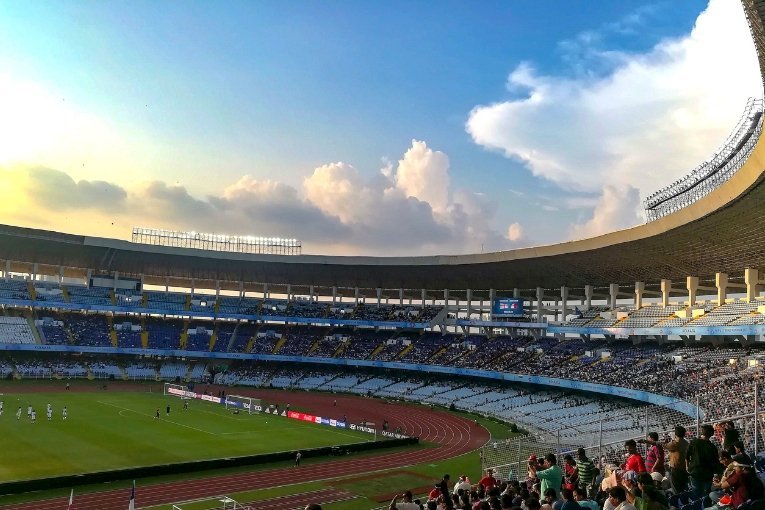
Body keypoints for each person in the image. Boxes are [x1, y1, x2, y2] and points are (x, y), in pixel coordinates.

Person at [687, 424, 719, 500]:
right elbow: (715, 462)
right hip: (708, 474)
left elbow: (687, 456)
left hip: (695, 472)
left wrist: (687, 466)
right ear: (711, 434)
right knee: (706, 495)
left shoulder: (694, 442)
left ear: (702, 432)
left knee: (696, 495)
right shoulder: (713, 447)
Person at [663, 425, 689, 493]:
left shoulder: (675, 443)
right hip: (683, 468)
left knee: (676, 489)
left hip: (676, 469)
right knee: (683, 488)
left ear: (676, 434)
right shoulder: (686, 443)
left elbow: (665, 445)